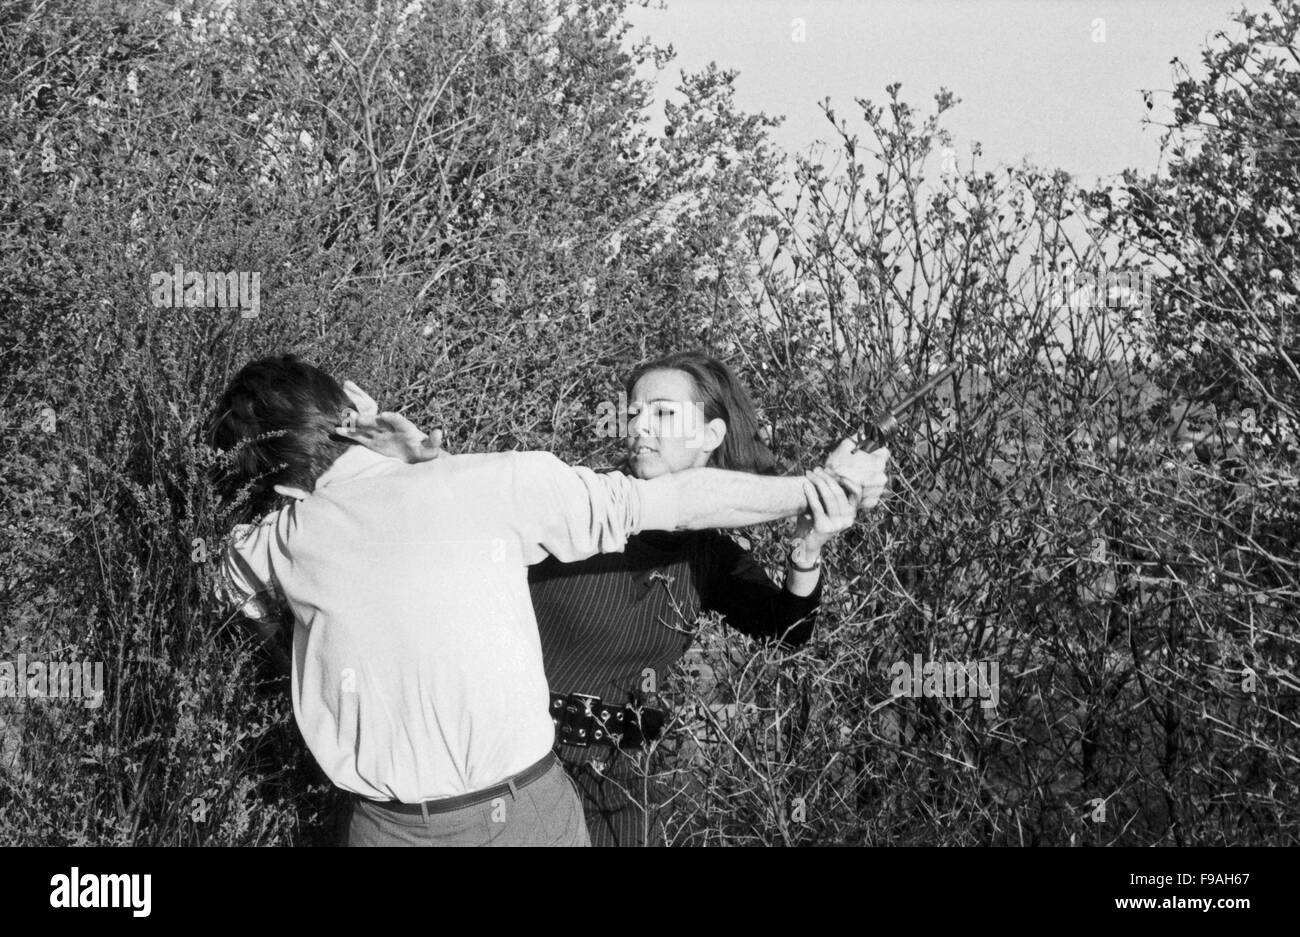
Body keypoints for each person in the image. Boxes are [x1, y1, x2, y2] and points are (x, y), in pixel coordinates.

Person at [211, 354, 889, 846]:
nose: (640, 428)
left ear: (712, 434)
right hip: (512, 791)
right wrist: (410, 460)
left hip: (595, 784)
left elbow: (781, 622)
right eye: (635, 413)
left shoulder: (702, 550)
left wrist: (810, 531)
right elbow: (436, 532)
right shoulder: (521, 490)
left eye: (662, 413)